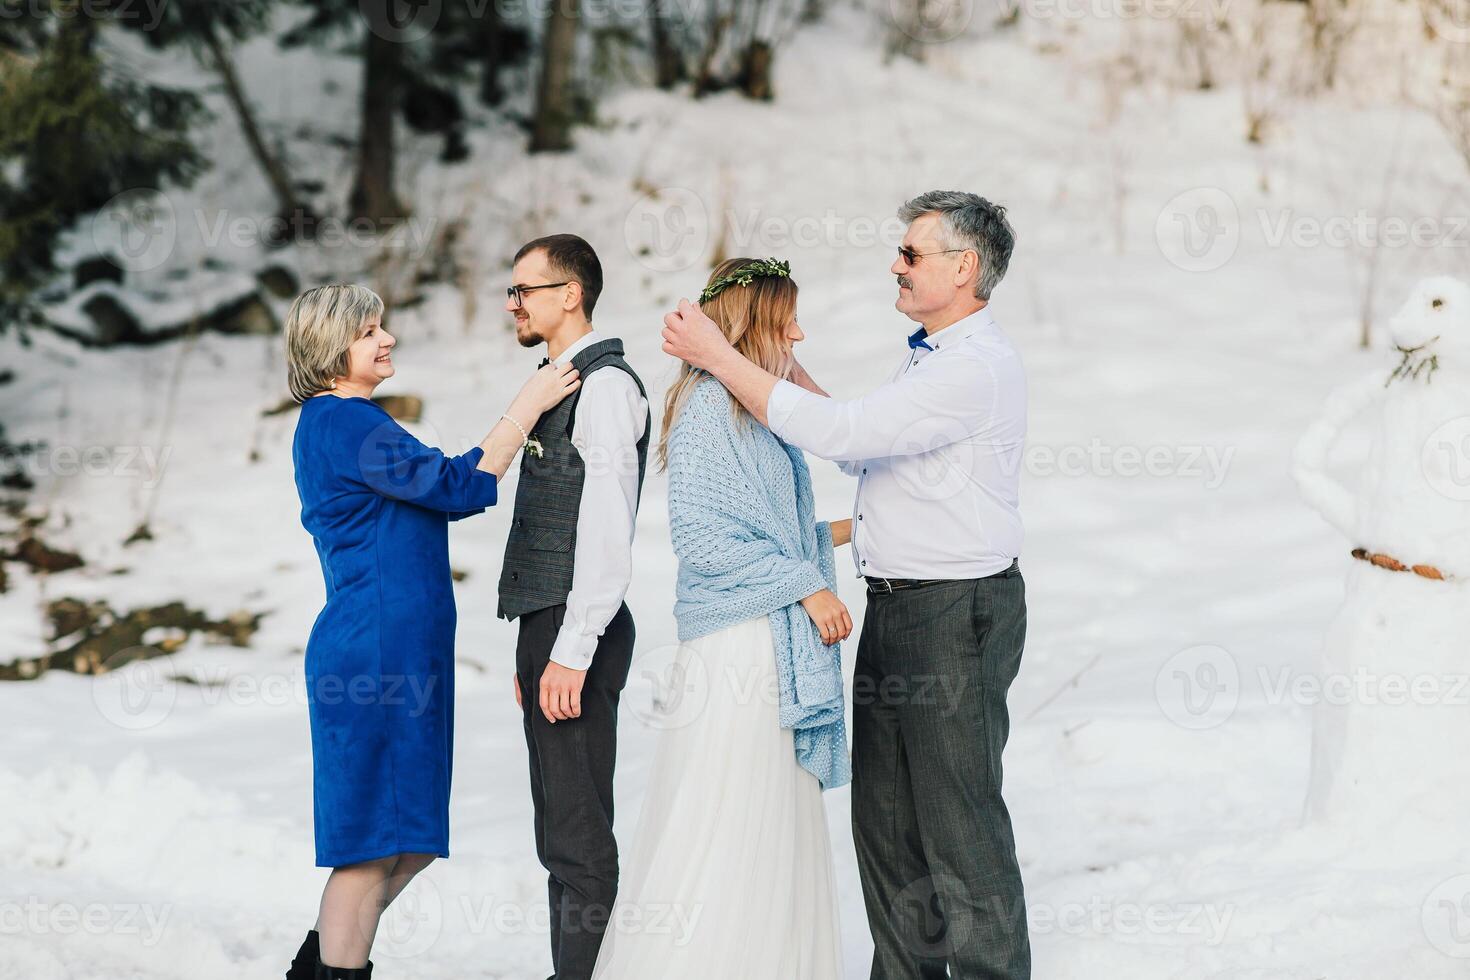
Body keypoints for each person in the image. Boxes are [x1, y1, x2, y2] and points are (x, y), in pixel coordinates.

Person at [661, 192, 1032, 979]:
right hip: (895, 609)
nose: (895, 265)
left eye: (911, 254)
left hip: (955, 613)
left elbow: (846, 435)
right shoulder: (930, 356)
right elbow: (866, 450)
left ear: (964, 268)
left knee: (958, 823)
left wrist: (724, 357)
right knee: (887, 825)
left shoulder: (975, 367)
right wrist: (775, 364)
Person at [283, 283, 580, 980]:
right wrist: (526, 407)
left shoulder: (349, 421)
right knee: (370, 847)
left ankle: (322, 965)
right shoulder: (343, 423)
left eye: (382, 327)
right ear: (331, 353)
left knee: (410, 840)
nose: (386, 340)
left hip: (403, 658)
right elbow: (455, 485)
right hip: (375, 657)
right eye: (368, 333)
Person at [591, 257, 853, 980]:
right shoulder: (711, 406)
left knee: (771, 827)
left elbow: (768, 524)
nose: (799, 333)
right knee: (731, 824)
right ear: (754, 325)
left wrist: (848, 530)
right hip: (740, 649)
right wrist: (809, 586)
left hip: (768, 637)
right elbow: (708, 542)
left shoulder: (752, 410)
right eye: (786, 320)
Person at [496, 235, 650, 980]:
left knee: (580, 832)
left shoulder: (609, 387)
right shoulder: (562, 380)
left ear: (570, 295)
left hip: (575, 626)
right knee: (558, 826)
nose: (512, 303)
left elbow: (607, 526)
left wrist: (572, 645)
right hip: (550, 623)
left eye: (525, 289)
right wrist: (537, 640)